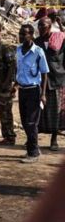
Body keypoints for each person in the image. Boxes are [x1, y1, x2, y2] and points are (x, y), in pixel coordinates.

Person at [16, 24, 49, 163]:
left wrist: (43, 94)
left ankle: (33, 152)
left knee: (31, 122)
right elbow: (17, 69)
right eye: (20, 33)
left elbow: (45, 73)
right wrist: (15, 84)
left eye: (24, 34)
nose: (21, 36)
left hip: (33, 91)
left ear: (31, 35)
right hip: (22, 90)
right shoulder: (18, 50)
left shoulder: (38, 52)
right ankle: (33, 148)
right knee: (25, 122)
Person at [34, 18, 65, 151]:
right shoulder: (36, 42)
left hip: (56, 79)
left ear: (50, 26)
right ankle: (33, 138)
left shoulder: (59, 40)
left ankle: (54, 139)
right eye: (39, 25)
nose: (41, 28)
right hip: (39, 80)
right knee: (37, 111)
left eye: (44, 26)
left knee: (55, 111)